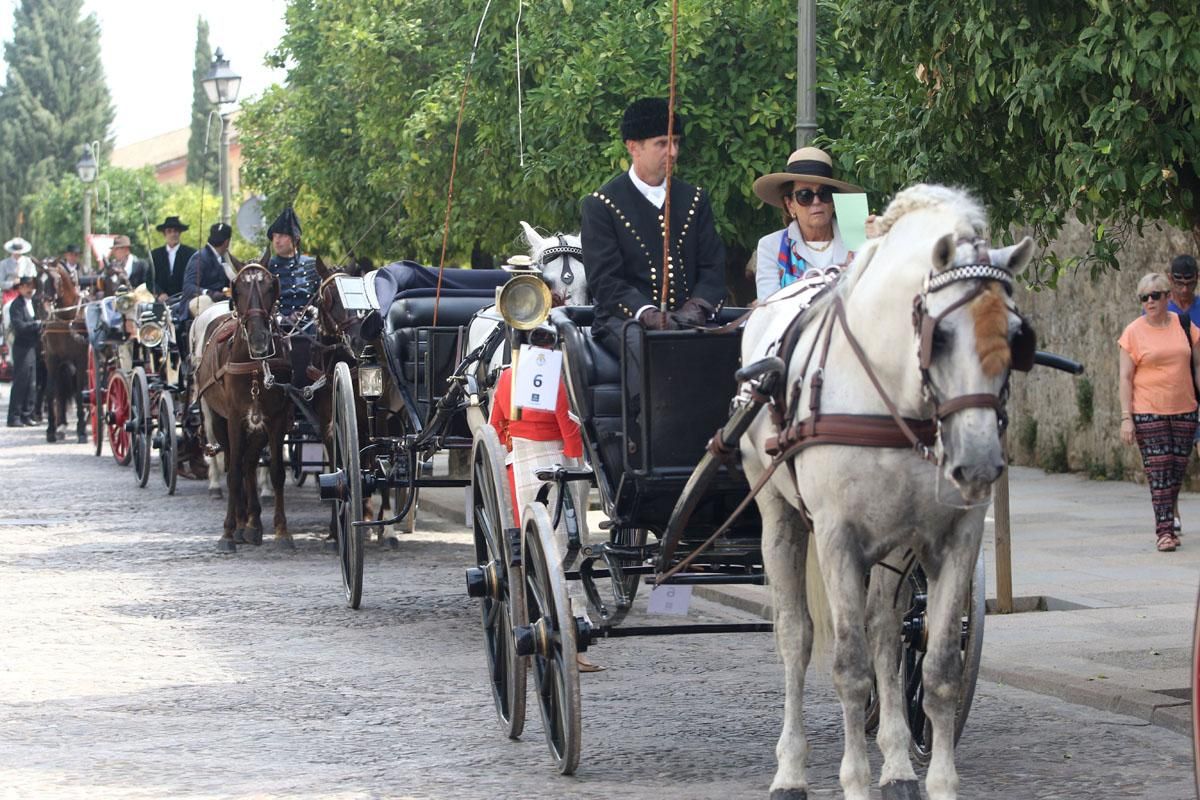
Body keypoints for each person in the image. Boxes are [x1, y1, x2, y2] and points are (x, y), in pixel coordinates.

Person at [580, 97, 727, 350]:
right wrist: (647, 313)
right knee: (653, 354)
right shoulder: (601, 205)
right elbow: (606, 280)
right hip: (625, 322)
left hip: (690, 321)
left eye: (676, 143)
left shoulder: (695, 199)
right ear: (633, 147)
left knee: (727, 352)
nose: (672, 152)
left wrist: (697, 307)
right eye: (662, 144)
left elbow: (713, 267)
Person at [488, 328, 596, 670]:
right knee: (566, 546)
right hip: (554, 461)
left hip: (519, 463)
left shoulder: (506, 377)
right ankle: (572, 635)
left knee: (533, 549)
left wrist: (512, 450)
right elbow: (565, 424)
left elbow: (497, 424)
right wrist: (578, 462)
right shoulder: (551, 375)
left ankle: (532, 624)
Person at [1118, 272, 1200, 552]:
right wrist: (1126, 418)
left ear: (1167, 297)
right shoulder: (1132, 332)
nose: (1149, 301)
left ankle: (1169, 520)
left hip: (1185, 410)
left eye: (1155, 296)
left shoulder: (1185, 324)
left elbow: (1198, 366)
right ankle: (1164, 531)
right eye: (1144, 297)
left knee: (1177, 472)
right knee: (1159, 471)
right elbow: (1125, 378)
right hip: (1148, 412)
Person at [751, 146, 865, 302]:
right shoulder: (771, 246)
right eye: (805, 196)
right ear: (790, 205)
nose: (816, 202)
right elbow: (769, 307)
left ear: (833, 201)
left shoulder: (859, 242)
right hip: (793, 326)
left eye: (824, 194)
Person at [265, 208, 320, 387]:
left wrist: (312, 310)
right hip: (278, 330)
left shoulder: (311, 266)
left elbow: (320, 299)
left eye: (282, 235)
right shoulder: (267, 267)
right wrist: (282, 317)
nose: (277, 240)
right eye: (274, 236)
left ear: (295, 239)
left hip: (310, 328)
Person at [177, 223, 235, 321]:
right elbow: (188, 287)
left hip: (219, 302)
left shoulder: (222, 260)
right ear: (227, 242)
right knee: (205, 301)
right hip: (197, 301)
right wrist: (208, 292)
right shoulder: (199, 258)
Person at [6, 275, 41, 427]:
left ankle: (27, 414)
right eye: (26, 286)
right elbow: (19, 326)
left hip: (32, 346)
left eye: (31, 286)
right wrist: (36, 325)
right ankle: (14, 416)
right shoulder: (16, 305)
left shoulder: (34, 302)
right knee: (21, 381)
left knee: (32, 382)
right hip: (22, 347)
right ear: (20, 288)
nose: (29, 289)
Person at [149, 216, 197, 301]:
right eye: (169, 231)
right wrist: (160, 293)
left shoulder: (190, 253)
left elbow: (194, 277)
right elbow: (149, 280)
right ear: (164, 234)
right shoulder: (155, 254)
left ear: (180, 233)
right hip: (161, 302)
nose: (173, 234)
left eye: (176, 231)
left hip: (185, 300)